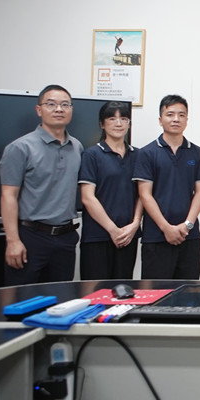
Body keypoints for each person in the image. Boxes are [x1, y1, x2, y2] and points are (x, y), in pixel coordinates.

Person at [0, 84, 83, 286]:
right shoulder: (20, 148)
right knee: (22, 298)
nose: (59, 109)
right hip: (31, 237)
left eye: (65, 105)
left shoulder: (77, 147)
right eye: (51, 104)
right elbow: (8, 196)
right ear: (39, 110)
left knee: (60, 299)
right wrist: (13, 241)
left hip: (66, 237)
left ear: (71, 110)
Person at [133, 94, 200, 280]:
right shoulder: (147, 153)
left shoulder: (197, 153)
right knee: (157, 294)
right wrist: (166, 228)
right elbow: (145, 194)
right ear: (160, 120)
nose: (176, 119)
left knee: (189, 293)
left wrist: (187, 225)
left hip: (189, 236)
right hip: (156, 236)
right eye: (170, 114)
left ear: (187, 119)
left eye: (181, 115)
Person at [78, 101, 142, 280]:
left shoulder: (138, 155)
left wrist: (135, 224)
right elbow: (87, 197)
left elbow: (142, 194)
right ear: (102, 124)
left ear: (129, 123)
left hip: (128, 235)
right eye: (112, 118)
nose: (118, 123)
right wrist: (113, 230)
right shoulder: (92, 155)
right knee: (97, 291)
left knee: (123, 290)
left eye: (124, 118)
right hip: (98, 236)